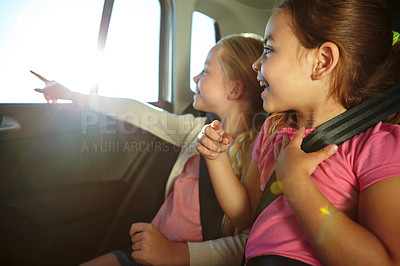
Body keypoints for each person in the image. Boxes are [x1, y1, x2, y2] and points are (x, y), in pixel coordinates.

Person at [196, 0, 400, 265]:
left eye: (268, 50)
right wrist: (216, 158)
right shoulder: (274, 130)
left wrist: (295, 181)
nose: (256, 64)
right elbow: (244, 214)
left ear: (322, 62)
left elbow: (385, 260)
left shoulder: (378, 145)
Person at [34, 33, 265, 265]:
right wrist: (72, 95)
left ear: (234, 90)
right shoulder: (195, 130)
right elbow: (136, 111)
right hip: (147, 255)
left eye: (205, 71)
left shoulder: (257, 152)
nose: (195, 76)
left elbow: (250, 243)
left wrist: (176, 254)